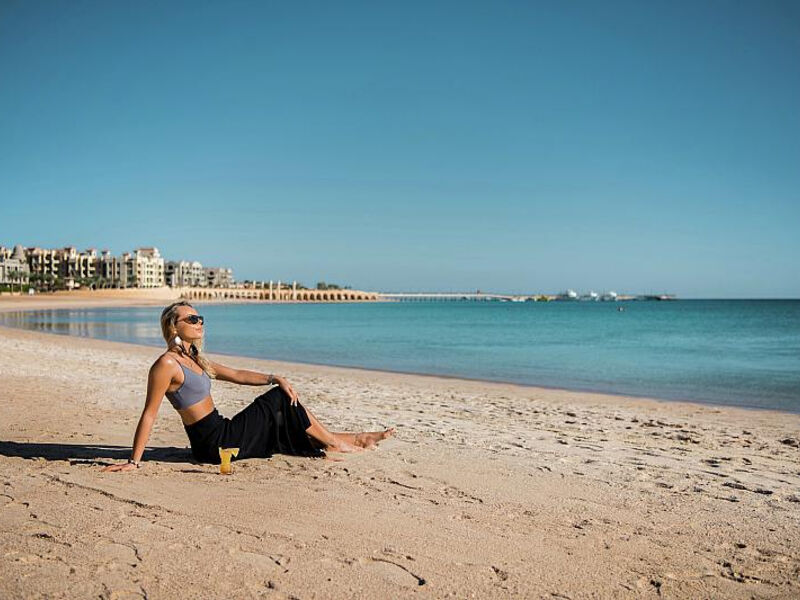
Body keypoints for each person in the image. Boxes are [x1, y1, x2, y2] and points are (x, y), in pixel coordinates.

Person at [103, 301, 394, 472]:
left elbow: (236, 374)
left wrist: (273, 376)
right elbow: (149, 414)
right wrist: (133, 461)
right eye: (192, 319)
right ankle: (336, 442)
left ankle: (354, 438)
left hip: (222, 430)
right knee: (279, 401)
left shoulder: (193, 358)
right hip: (212, 445)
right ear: (173, 326)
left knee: (280, 415)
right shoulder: (166, 365)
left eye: (200, 318)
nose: (199, 322)